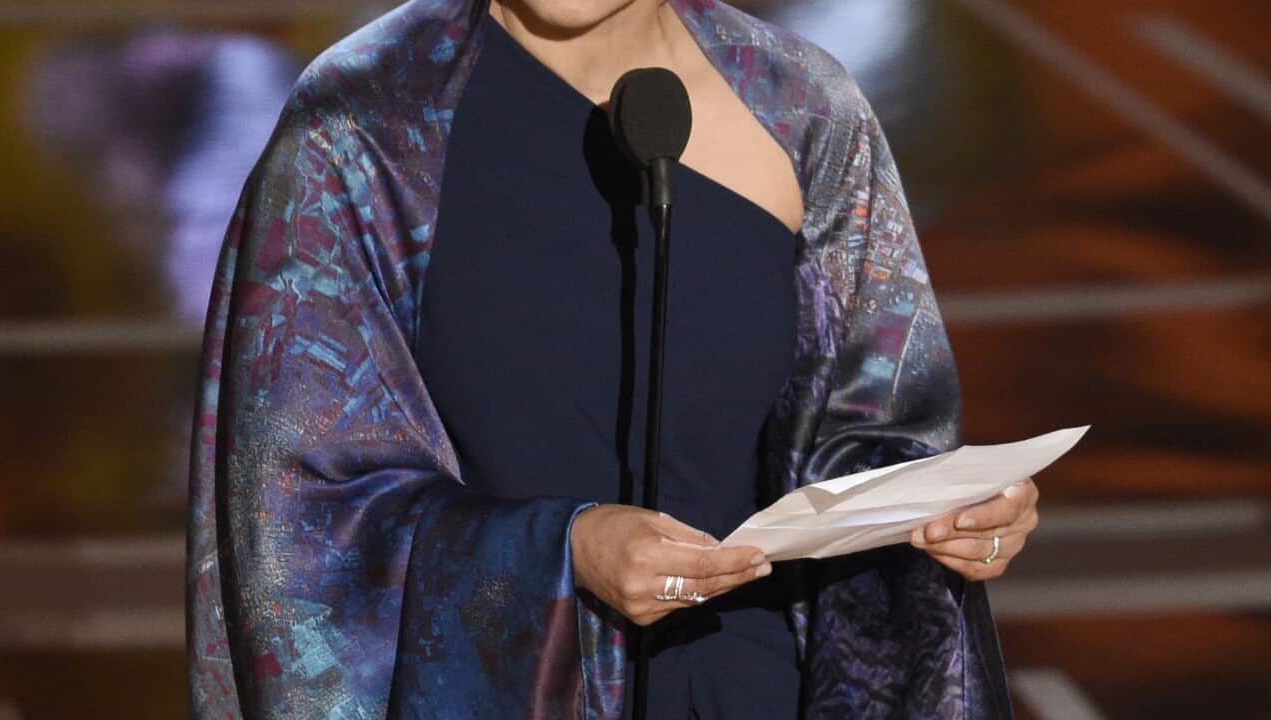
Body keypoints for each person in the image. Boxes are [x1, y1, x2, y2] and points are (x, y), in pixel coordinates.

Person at [186, 0, 1041, 717]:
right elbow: (297, 526)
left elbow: (871, 427)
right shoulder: (359, 126)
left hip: (753, 688)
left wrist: (946, 513)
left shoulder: (805, 108)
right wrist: (563, 550)